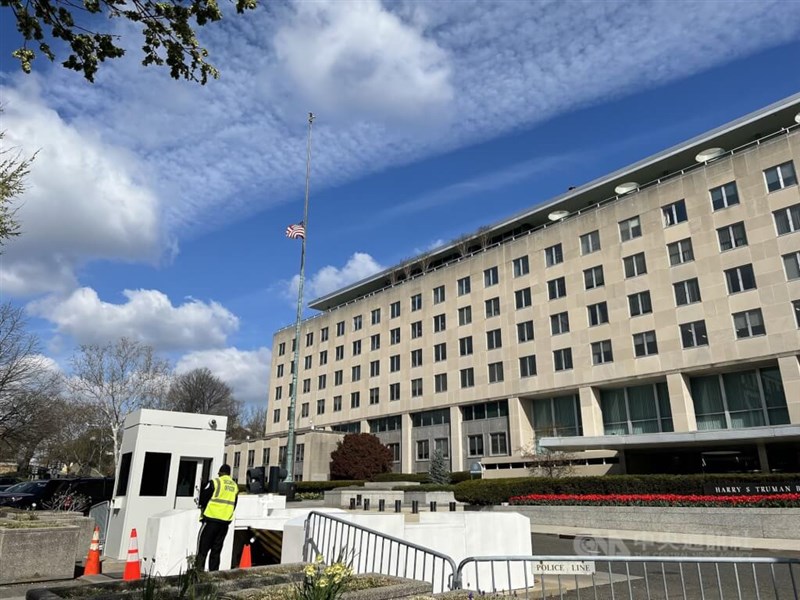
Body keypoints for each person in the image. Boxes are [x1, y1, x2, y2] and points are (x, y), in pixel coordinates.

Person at [196, 464, 239, 571]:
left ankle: (198, 573)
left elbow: (203, 499)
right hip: (225, 523)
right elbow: (234, 504)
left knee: (203, 549)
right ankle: (214, 574)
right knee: (216, 550)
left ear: (220, 473)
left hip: (211, 519)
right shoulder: (235, 486)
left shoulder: (215, 482)